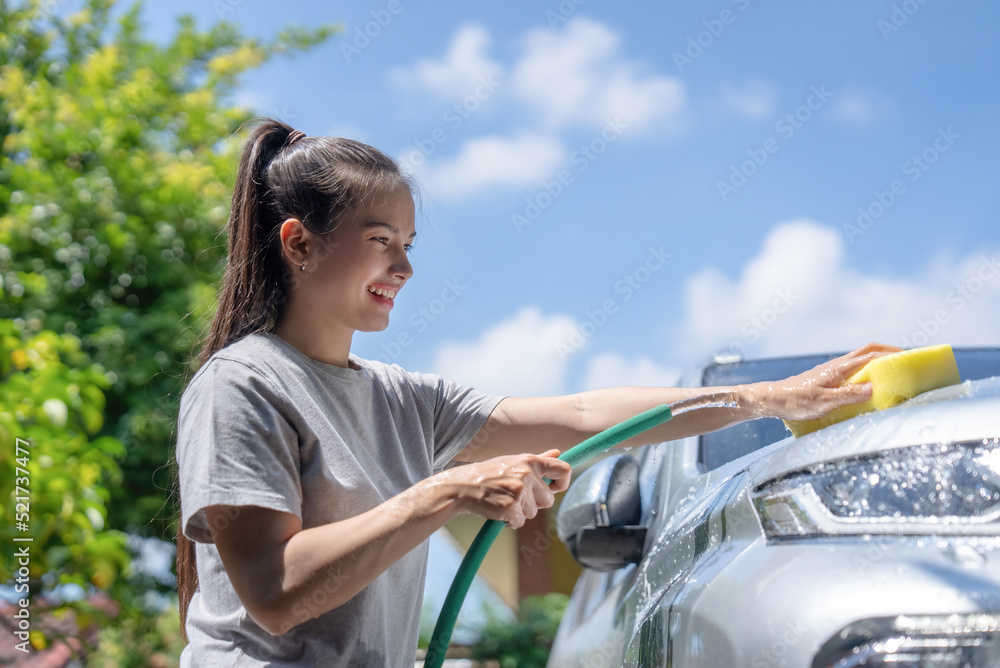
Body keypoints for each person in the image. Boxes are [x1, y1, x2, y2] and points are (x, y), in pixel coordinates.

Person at [173, 117, 900, 666]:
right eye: (380, 240)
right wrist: (444, 493)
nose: (405, 267)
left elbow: (587, 415)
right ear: (299, 243)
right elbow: (271, 593)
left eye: (409, 244)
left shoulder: (405, 401)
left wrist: (770, 399)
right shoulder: (241, 385)